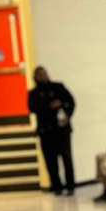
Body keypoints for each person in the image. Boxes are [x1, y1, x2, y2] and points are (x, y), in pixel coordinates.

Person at [28, 66, 75, 195]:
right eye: (39, 75)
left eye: (44, 74)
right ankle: (57, 186)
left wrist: (67, 114)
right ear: (35, 78)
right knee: (50, 161)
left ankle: (70, 186)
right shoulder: (33, 93)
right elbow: (32, 108)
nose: (43, 76)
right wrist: (49, 106)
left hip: (62, 130)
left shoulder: (58, 87)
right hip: (46, 131)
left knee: (66, 159)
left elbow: (71, 102)